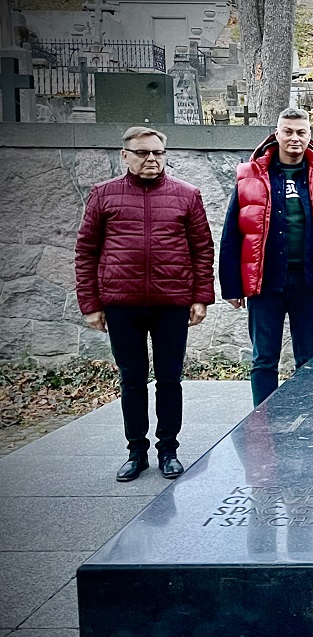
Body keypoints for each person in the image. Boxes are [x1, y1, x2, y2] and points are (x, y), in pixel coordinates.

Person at [75, 126, 215, 482]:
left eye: (157, 153)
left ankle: (169, 449)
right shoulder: (103, 195)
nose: (151, 159)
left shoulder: (187, 195)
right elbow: (86, 252)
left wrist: (200, 297)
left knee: (170, 379)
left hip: (171, 303)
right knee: (132, 380)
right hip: (122, 304)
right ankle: (136, 451)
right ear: (125, 156)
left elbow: (202, 250)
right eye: (142, 153)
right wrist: (90, 303)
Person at [219, 107, 313, 407]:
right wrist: (232, 286)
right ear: (276, 134)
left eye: (301, 132)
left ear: (309, 136)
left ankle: (306, 418)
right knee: (264, 359)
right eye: (288, 131)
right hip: (266, 284)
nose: (295, 138)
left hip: (310, 282)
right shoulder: (251, 176)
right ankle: (262, 421)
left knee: (309, 357)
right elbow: (232, 233)